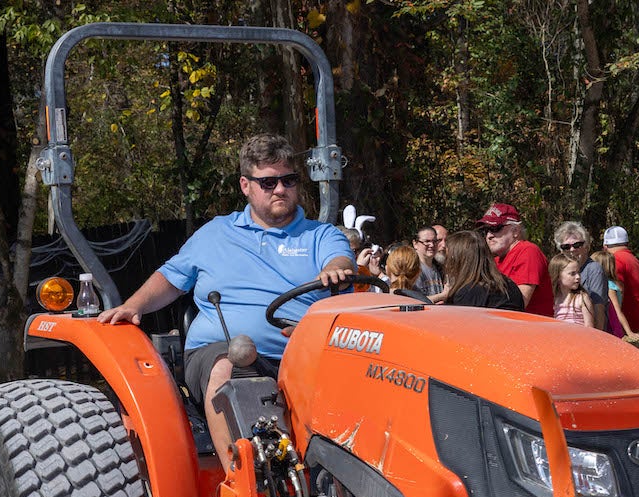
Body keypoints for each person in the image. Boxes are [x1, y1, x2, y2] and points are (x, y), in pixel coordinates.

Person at [98, 133, 354, 476]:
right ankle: (243, 491)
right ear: (246, 185)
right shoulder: (215, 234)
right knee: (229, 364)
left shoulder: (320, 235)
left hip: (304, 357)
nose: (280, 189)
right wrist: (134, 305)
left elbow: (340, 262)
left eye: (288, 180)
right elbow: (172, 277)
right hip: (221, 354)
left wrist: (336, 269)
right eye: (268, 182)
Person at [478, 203, 553, 317]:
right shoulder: (496, 261)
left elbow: (518, 303)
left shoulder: (527, 251)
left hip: (531, 329)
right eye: (486, 230)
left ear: (515, 231)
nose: (489, 235)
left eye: (495, 228)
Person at [441, 230, 522, 310]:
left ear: (459, 260)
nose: (446, 264)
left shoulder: (469, 293)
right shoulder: (509, 286)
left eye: (448, 258)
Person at [552, 221, 607, 331]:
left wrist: (598, 339)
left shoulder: (593, 269)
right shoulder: (559, 271)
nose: (572, 250)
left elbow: (599, 308)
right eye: (566, 246)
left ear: (586, 246)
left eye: (577, 245)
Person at [602, 225, 639, 332]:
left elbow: (615, 297)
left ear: (605, 246)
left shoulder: (615, 260)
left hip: (625, 328)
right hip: (638, 324)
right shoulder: (635, 261)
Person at [590, 248, 634, 337]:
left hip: (610, 325)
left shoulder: (608, 286)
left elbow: (617, 311)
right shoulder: (614, 284)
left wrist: (629, 332)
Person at [550, 254, 595, 327]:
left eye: (578, 272)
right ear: (558, 276)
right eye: (572, 274)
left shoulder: (582, 298)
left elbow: (589, 326)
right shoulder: (553, 298)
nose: (578, 277)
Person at [411, 226, 444, 297]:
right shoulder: (412, 269)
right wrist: (443, 296)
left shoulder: (440, 268)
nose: (431, 245)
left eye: (435, 241)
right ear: (415, 244)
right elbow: (416, 302)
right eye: (427, 241)